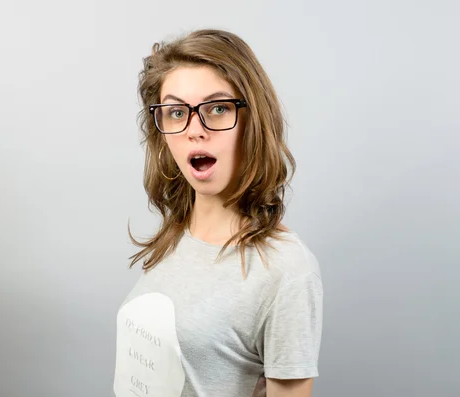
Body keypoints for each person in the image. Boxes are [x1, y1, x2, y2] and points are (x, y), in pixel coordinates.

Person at [113, 29, 323, 397]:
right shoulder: (173, 238)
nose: (195, 130)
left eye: (218, 108)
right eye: (177, 112)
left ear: (252, 122)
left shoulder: (286, 269)